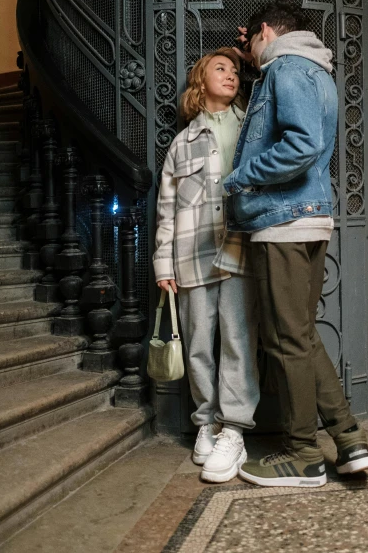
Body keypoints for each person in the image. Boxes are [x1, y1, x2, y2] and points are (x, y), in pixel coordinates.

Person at [223, 1, 368, 487]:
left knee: (285, 340)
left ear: (266, 30)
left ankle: (302, 455)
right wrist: (252, 59)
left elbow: (301, 144)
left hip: (283, 220)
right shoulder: (312, 69)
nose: (247, 52)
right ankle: (349, 440)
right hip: (308, 218)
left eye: (250, 42)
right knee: (302, 336)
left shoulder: (286, 68)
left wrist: (240, 177)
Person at [153, 47, 259, 484]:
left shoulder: (252, 126)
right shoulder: (182, 143)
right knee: (198, 343)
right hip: (191, 255)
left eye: (235, 70)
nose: (231, 75)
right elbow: (167, 208)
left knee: (237, 340)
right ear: (200, 80)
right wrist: (163, 263)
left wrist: (249, 59)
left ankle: (234, 429)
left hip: (240, 250)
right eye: (221, 68)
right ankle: (206, 424)